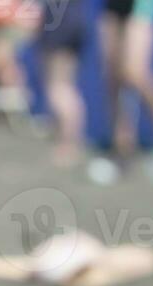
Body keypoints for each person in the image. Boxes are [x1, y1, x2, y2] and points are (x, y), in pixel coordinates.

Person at [99, 0, 153, 157]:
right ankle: (122, 139)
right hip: (112, 7)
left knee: (136, 72)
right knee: (112, 74)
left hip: (140, 6)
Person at [35, 0, 90, 165]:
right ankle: (69, 142)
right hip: (72, 19)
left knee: (58, 87)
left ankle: (68, 145)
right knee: (65, 85)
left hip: (60, 20)